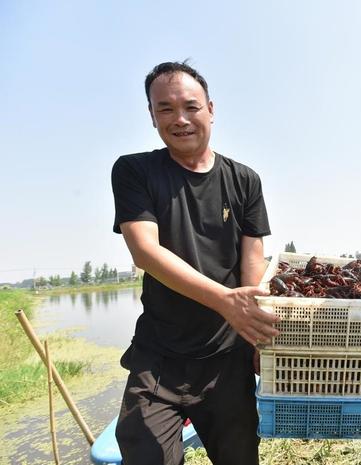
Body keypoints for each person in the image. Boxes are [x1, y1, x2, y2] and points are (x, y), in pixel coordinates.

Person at [110, 61, 279, 465]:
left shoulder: (244, 180)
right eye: (165, 109)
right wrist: (225, 301)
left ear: (211, 110)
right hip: (159, 359)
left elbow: (251, 265)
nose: (180, 119)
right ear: (152, 117)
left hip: (226, 358)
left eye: (191, 106)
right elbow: (144, 251)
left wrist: (255, 333)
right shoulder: (135, 170)